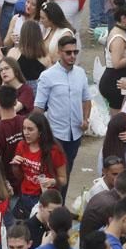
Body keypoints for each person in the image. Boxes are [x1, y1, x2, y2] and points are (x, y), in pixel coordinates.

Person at [34, 34, 92, 173]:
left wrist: (85, 119)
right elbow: (38, 108)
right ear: (59, 52)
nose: (72, 56)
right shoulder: (47, 76)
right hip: (56, 134)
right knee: (54, 172)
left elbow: (87, 99)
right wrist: (40, 133)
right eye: (68, 52)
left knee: (67, 170)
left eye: (75, 52)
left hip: (75, 134)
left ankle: (62, 195)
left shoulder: (80, 73)